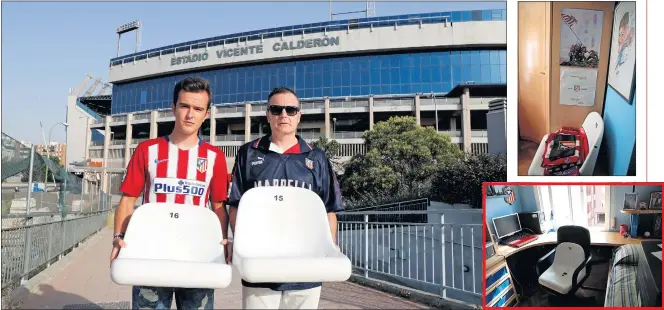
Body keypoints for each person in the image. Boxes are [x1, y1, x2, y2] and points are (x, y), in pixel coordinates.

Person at [110, 77, 229, 310]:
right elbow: (127, 201)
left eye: (198, 109)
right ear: (173, 108)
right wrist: (118, 236)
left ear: (206, 114)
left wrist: (222, 244)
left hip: (198, 256)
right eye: (184, 106)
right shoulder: (147, 150)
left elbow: (218, 207)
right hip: (151, 255)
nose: (190, 114)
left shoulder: (215, 157)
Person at [226, 86, 344, 309]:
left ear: (299, 115)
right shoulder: (248, 153)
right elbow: (236, 205)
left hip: (306, 266)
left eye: (290, 110)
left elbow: (329, 209)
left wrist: (330, 246)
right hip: (260, 265)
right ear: (268, 114)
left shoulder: (316, 157)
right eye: (277, 109)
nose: (284, 115)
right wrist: (240, 244)